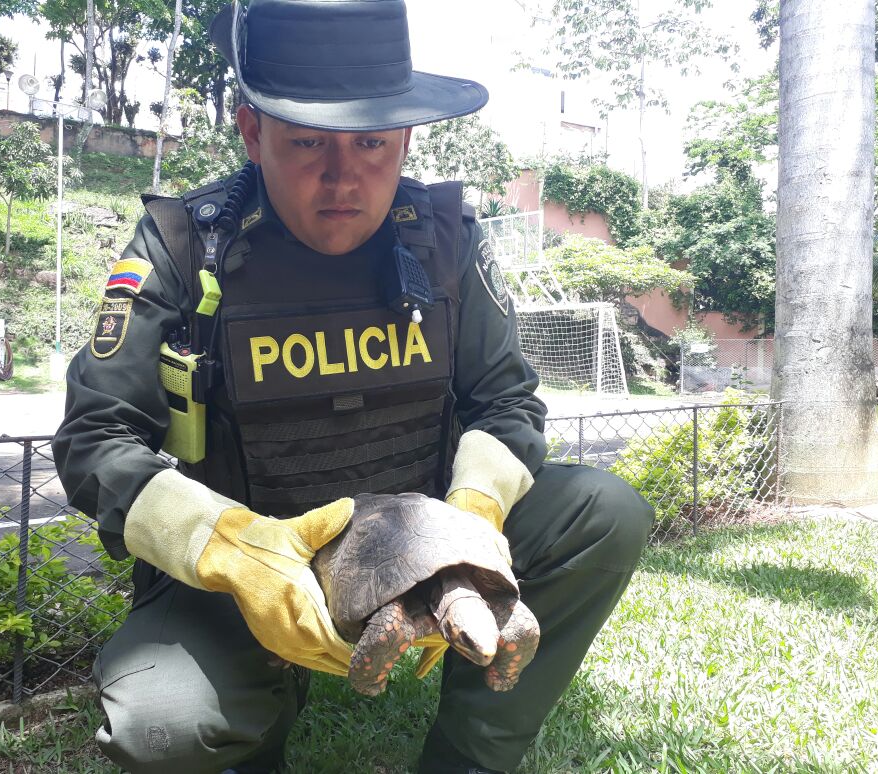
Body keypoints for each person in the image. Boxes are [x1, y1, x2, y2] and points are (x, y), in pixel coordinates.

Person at [51, 1, 654, 772]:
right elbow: (94, 439)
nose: (344, 179)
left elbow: (506, 403)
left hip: (422, 542)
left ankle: (469, 759)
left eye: (372, 143)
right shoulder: (182, 244)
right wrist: (234, 551)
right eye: (307, 142)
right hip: (248, 564)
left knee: (605, 512)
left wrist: (468, 524)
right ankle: (253, 724)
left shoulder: (442, 240)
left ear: (404, 137)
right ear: (250, 131)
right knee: (163, 723)